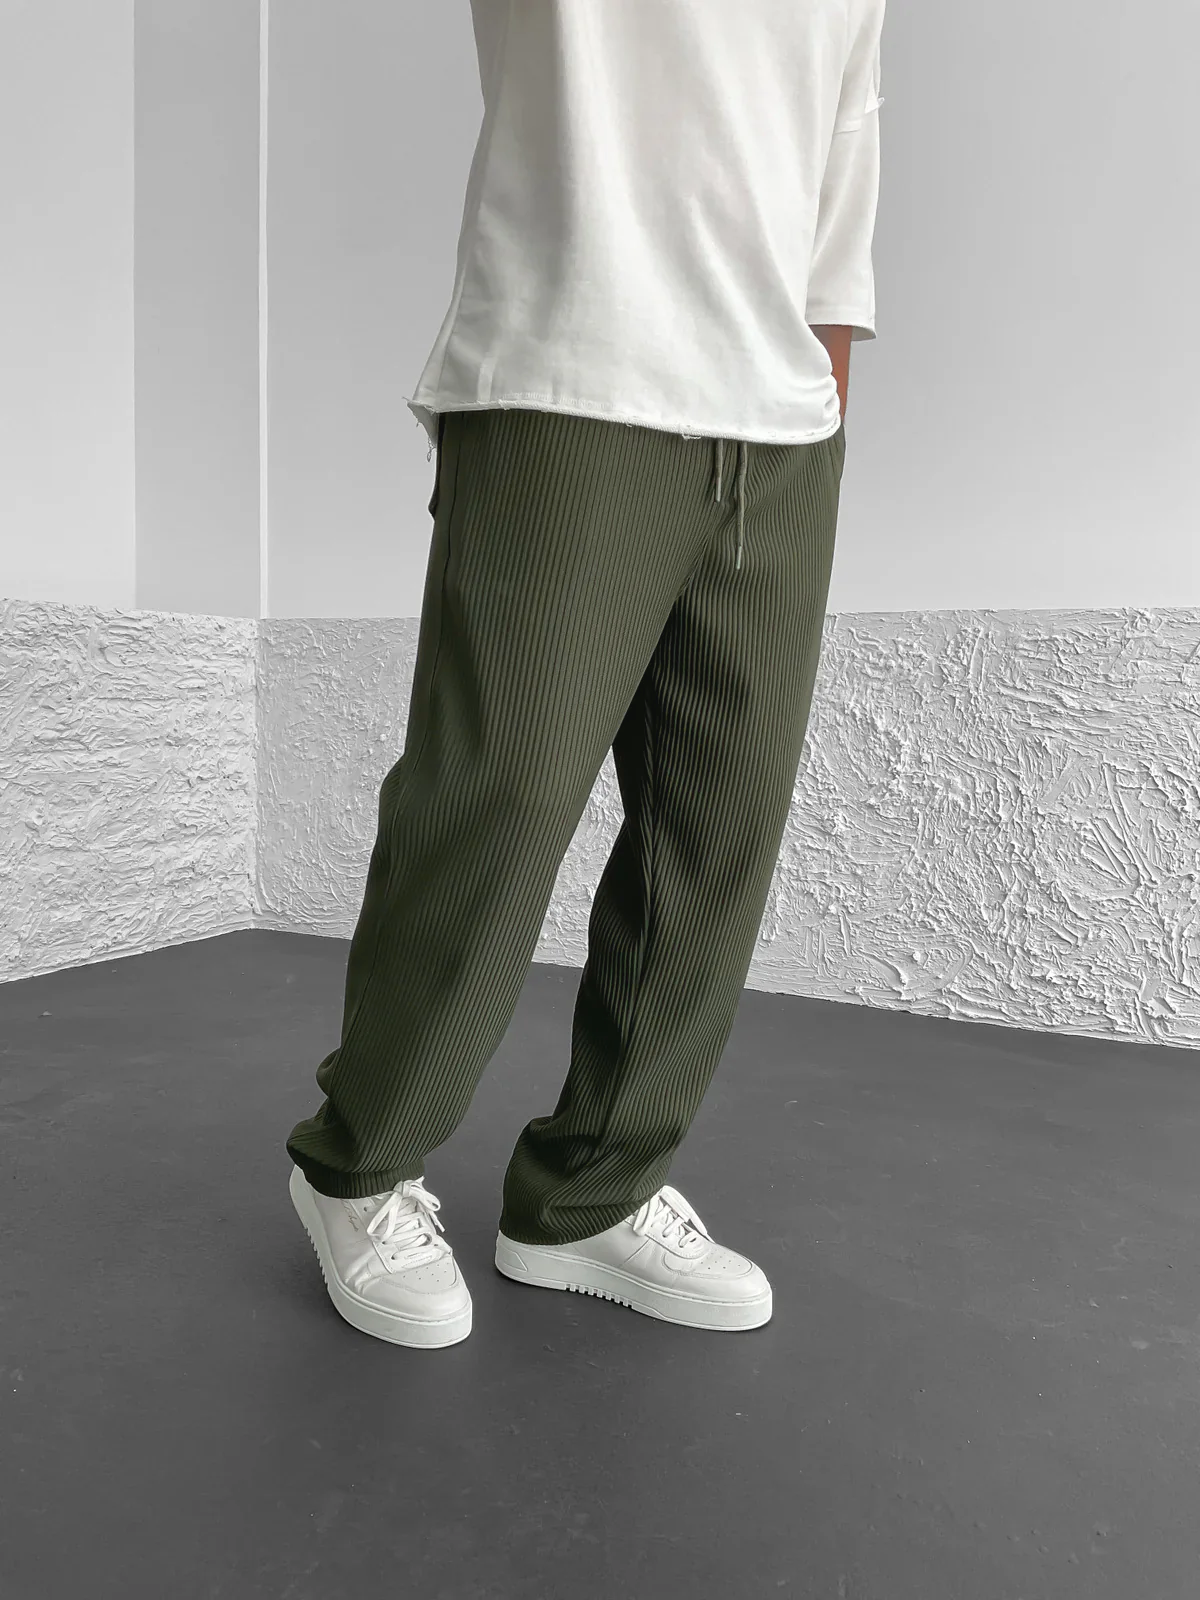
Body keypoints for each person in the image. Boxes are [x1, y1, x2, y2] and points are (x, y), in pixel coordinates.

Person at [285, 0, 886, 1348]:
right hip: (569, 382)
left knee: (718, 836)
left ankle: (590, 1196)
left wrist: (820, 414)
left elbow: (844, 170)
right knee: (495, 800)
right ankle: (358, 1168)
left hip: (781, 432)